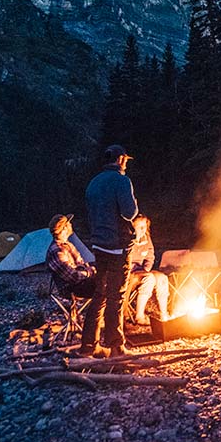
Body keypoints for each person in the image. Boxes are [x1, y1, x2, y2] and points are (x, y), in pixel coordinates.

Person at [80, 144, 138, 357]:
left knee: (100, 294)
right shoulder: (121, 181)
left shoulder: (93, 182)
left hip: (98, 244)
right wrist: (134, 202)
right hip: (117, 246)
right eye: (125, 160)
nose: (126, 164)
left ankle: (88, 345)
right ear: (121, 159)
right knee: (116, 296)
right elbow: (130, 213)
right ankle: (116, 347)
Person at [128, 214, 169, 325]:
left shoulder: (146, 239)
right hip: (129, 272)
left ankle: (164, 314)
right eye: (140, 227)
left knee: (162, 278)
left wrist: (146, 269)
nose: (143, 230)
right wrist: (135, 241)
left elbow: (150, 257)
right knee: (149, 278)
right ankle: (139, 316)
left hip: (142, 271)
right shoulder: (127, 239)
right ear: (132, 226)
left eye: (145, 227)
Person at [45, 214, 96, 298]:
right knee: (106, 284)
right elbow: (73, 276)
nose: (71, 225)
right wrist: (89, 273)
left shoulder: (67, 245)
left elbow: (81, 263)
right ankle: (100, 306)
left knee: (109, 277)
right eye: (69, 223)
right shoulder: (57, 251)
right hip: (72, 288)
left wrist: (91, 269)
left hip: (81, 282)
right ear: (64, 228)